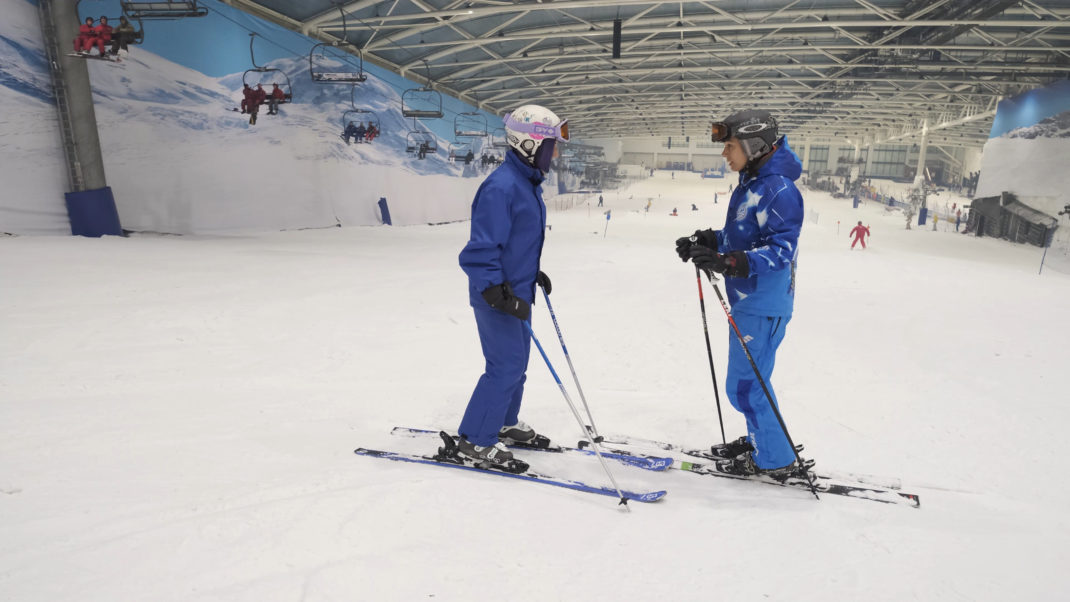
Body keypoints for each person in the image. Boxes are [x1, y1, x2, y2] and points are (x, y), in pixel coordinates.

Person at [674, 109, 805, 478]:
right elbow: (749, 234)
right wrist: (711, 242)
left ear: (753, 145)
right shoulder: (754, 183)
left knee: (747, 386)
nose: (724, 153)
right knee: (749, 383)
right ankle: (763, 439)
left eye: (729, 145)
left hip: (763, 302)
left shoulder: (780, 190)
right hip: (751, 299)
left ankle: (776, 458)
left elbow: (782, 251)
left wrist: (728, 262)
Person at [456, 103, 569, 465]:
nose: (554, 154)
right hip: (497, 295)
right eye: (550, 146)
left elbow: (514, 242)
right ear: (528, 145)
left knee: (518, 363)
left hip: (517, 290)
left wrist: (530, 271)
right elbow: (481, 250)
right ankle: (475, 439)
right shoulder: (501, 188)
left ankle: (503, 423)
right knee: (504, 366)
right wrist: (495, 290)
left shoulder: (526, 184)